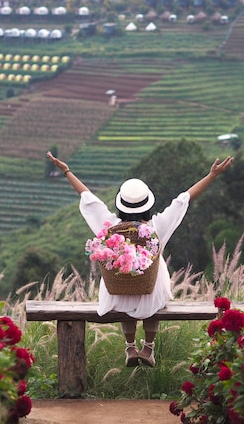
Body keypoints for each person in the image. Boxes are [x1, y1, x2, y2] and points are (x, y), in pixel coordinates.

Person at [46, 151, 233, 367]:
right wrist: (212, 175)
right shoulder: (156, 227)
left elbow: (88, 199)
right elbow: (184, 199)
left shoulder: (109, 226)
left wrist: (66, 171)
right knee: (152, 290)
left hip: (116, 295)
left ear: (121, 205)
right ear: (148, 204)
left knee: (127, 290)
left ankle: (130, 347)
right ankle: (148, 349)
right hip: (151, 294)